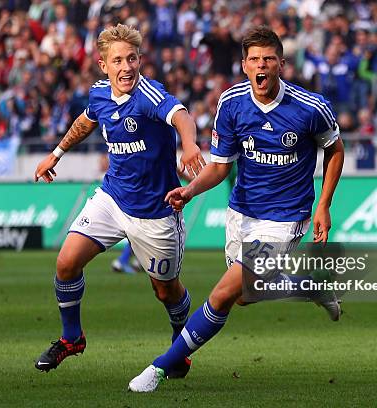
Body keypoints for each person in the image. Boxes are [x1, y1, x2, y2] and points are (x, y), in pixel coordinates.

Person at [128, 26, 344, 392]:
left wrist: (323, 205)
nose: (262, 66)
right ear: (244, 65)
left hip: (285, 219)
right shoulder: (231, 103)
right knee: (244, 296)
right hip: (241, 213)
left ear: (281, 63)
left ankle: (160, 367)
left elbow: (335, 149)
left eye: (269, 59)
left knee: (223, 294)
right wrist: (191, 190)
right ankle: (310, 288)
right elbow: (220, 165)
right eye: (255, 59)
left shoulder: (311, 108)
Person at [33, 24, 205, 376]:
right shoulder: (99, 94)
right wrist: (56, 154)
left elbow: (181, 115)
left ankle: (180, 343)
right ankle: (71, 338)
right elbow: (86, 120)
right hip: (112, 198)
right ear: (103, 65)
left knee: (166, 291)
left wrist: (189, 144)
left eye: (131, 59)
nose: (126, 67)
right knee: (66, 263)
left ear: (140, 60)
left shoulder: (150, 95)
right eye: (118, 61)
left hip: (155, 211)